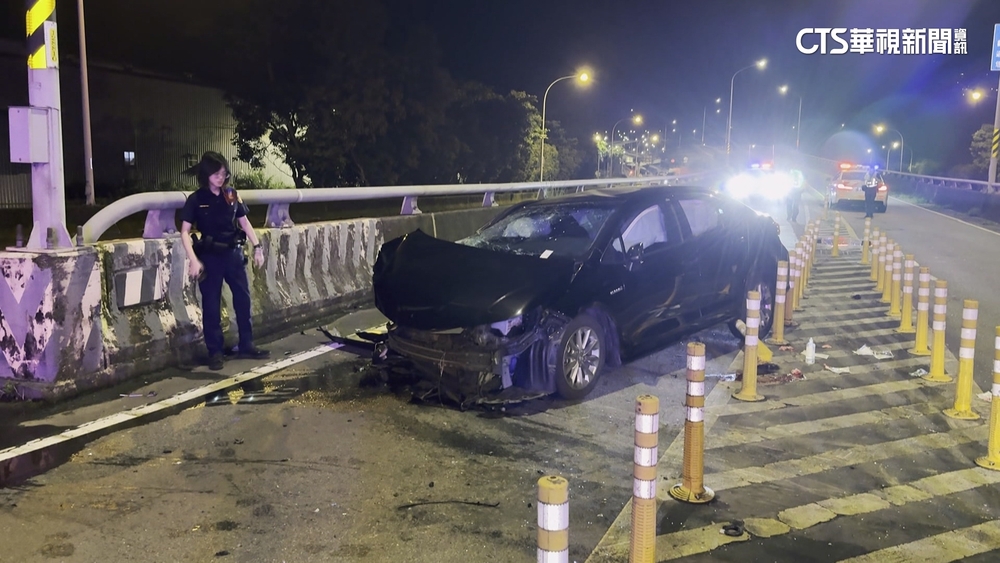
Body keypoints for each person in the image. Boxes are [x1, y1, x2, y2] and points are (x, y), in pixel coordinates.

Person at [180, 152, 269, 370]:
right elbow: (184, 232)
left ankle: (246, 344)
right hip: (209, 256)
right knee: (211, 305)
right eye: (216, 173)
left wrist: (257, 247)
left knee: (243, 299)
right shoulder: (196, 199)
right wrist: (193, 260)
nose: (221, 177)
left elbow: (245, 223)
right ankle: (215, 351)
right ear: (207, 174)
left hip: (233, 254)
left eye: (224, 173)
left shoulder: (230, 194)